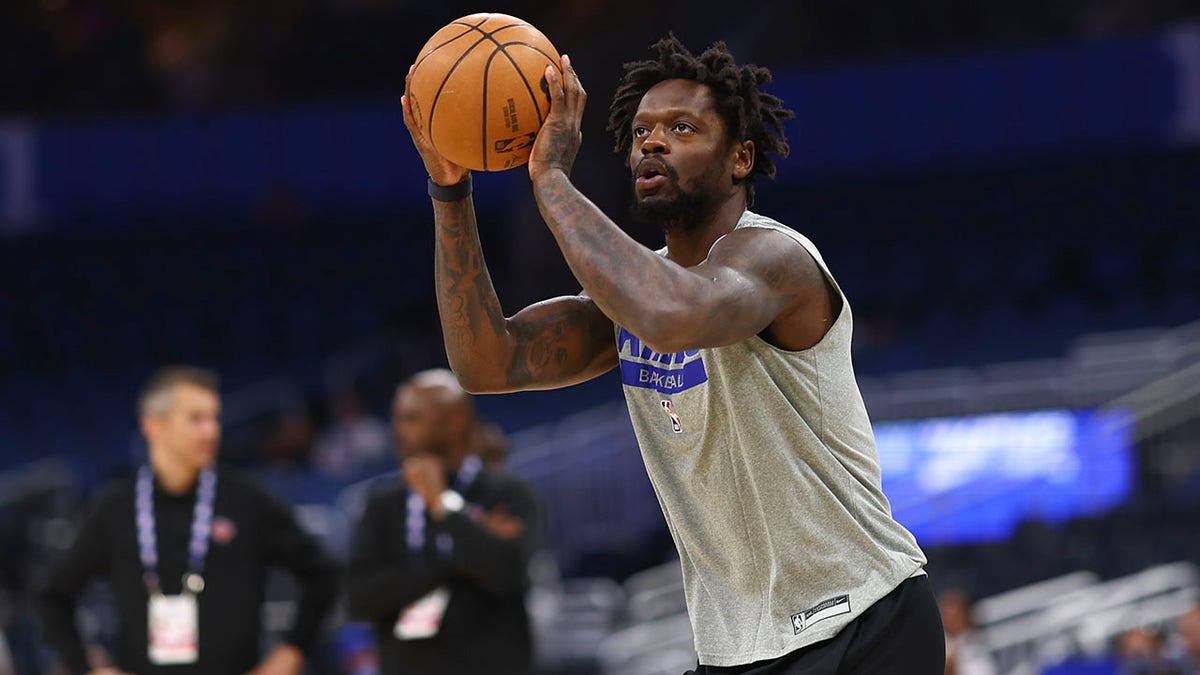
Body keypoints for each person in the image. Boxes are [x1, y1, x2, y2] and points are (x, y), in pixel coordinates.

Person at [401, 34, 943, 673]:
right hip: (740, 647)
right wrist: (450, 190)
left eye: (681, 128)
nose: (651, 142)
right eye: (640, 133)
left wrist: (548, 179)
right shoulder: (630, 295)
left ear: (740, 157)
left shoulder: (776, 259)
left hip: (863, 621)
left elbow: (673, 315)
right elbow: (486, 364)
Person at [37, 366, 341, 675]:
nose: (212, 430)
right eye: (196, 419)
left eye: (214, 418)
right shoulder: (117, 506)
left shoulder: (246, 498)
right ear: (154, 426)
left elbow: (323, 574)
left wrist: (292, 651)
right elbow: (53, 596)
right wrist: (85, 668)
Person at [345, 369, 543, 675]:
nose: (396, 430)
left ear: (455, 422)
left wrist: (443, 506)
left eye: (411, 418)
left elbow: (507, 571)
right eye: (396, 418)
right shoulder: (382, 504)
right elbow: (358, 598)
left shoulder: (508, 493)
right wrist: (457, 556)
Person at [939, 589, 996, 675]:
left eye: (954, 616)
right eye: (944, 614)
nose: (946, 620)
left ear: (965, 615)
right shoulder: (941, 642)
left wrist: (951, 669)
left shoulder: (977, 645)